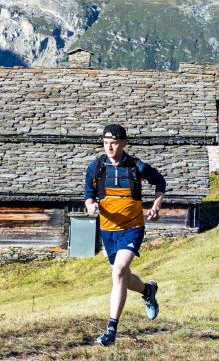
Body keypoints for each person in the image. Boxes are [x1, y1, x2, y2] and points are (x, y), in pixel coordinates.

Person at [84, 123, 165, 347]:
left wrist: (156, 205)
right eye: (106, 143)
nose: (109, 147)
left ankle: (111, 329)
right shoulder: (96, 167)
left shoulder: (137, 166)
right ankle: (148, 290)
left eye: (114, 143)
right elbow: (89, 196)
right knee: (125, 278)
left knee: (118, 272)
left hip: (132, 228)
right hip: (108, 230)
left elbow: (160, 182)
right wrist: (90, 206)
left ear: (124, 143)